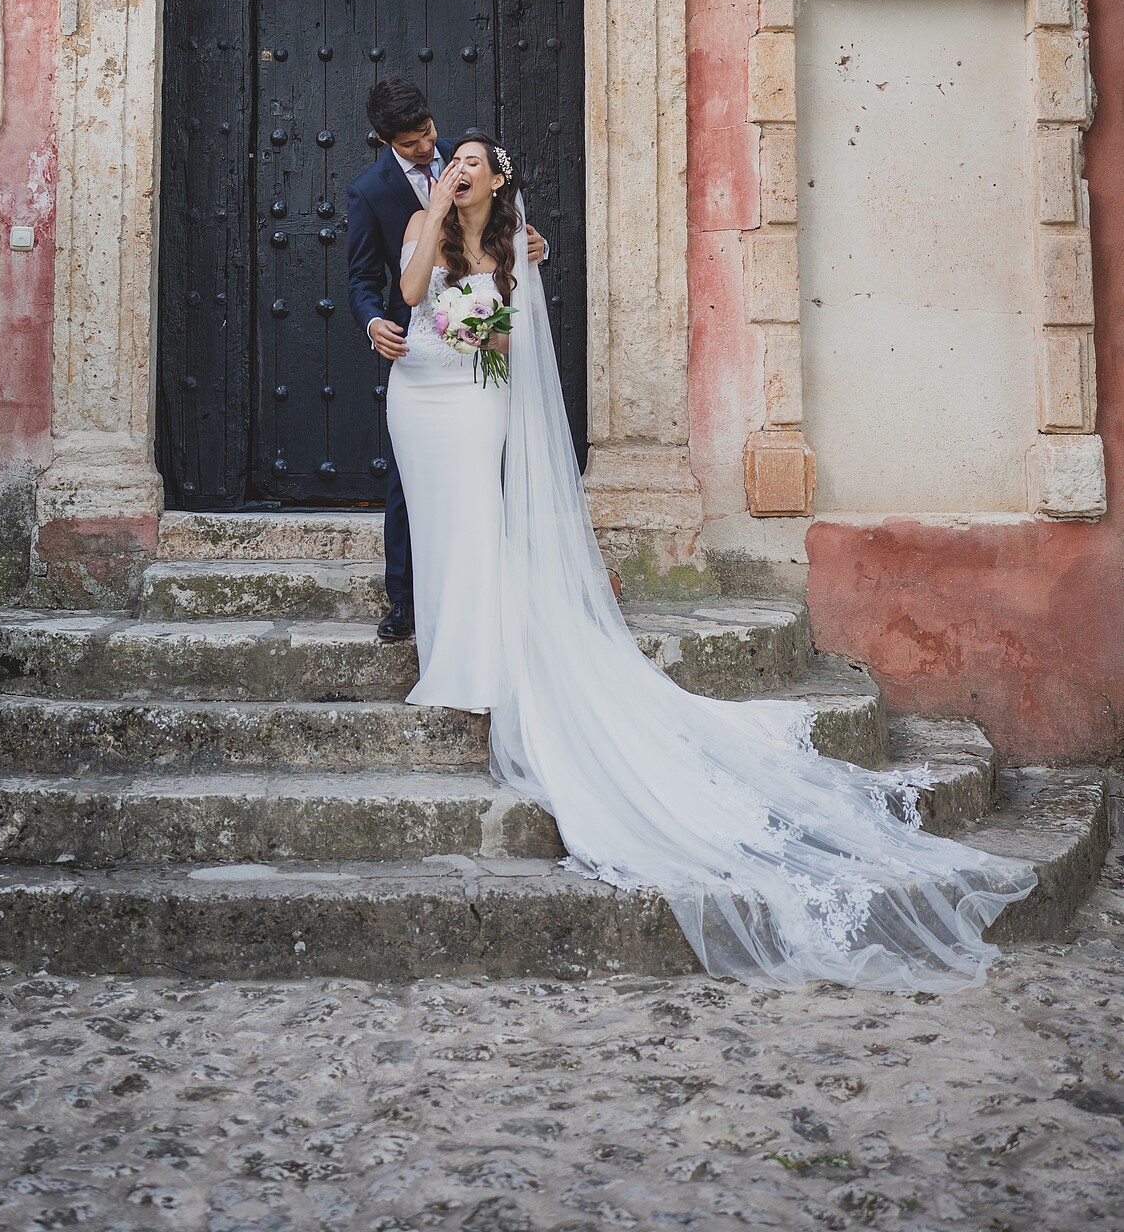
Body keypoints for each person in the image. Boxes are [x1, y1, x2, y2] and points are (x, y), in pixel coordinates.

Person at [386, 128, 1040, 993]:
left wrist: (483, 330)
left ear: (498, 179)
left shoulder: (517, 252)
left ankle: (480, 665)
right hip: (417, 394)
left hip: (474, 399)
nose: (459, 169)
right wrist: (433, 220)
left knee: (475, 518)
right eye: (453, 161)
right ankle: (449, 653)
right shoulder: (422, 221)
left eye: (473, 162)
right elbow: (404, 293)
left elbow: (518, 348)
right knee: (438, 527)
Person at [345, 79, 545, 641]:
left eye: (430, 133)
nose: (429, 150)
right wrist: (371, 320)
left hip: (479, 365)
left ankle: (482, 607)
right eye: (411, 144)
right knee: (408, 484)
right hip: (419, 350)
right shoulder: (371, 192)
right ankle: (407, 601)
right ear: (385, 140)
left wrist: (538, 249)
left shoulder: (472, 159)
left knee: (477, 482)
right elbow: (365, 276)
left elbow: (513, 235)